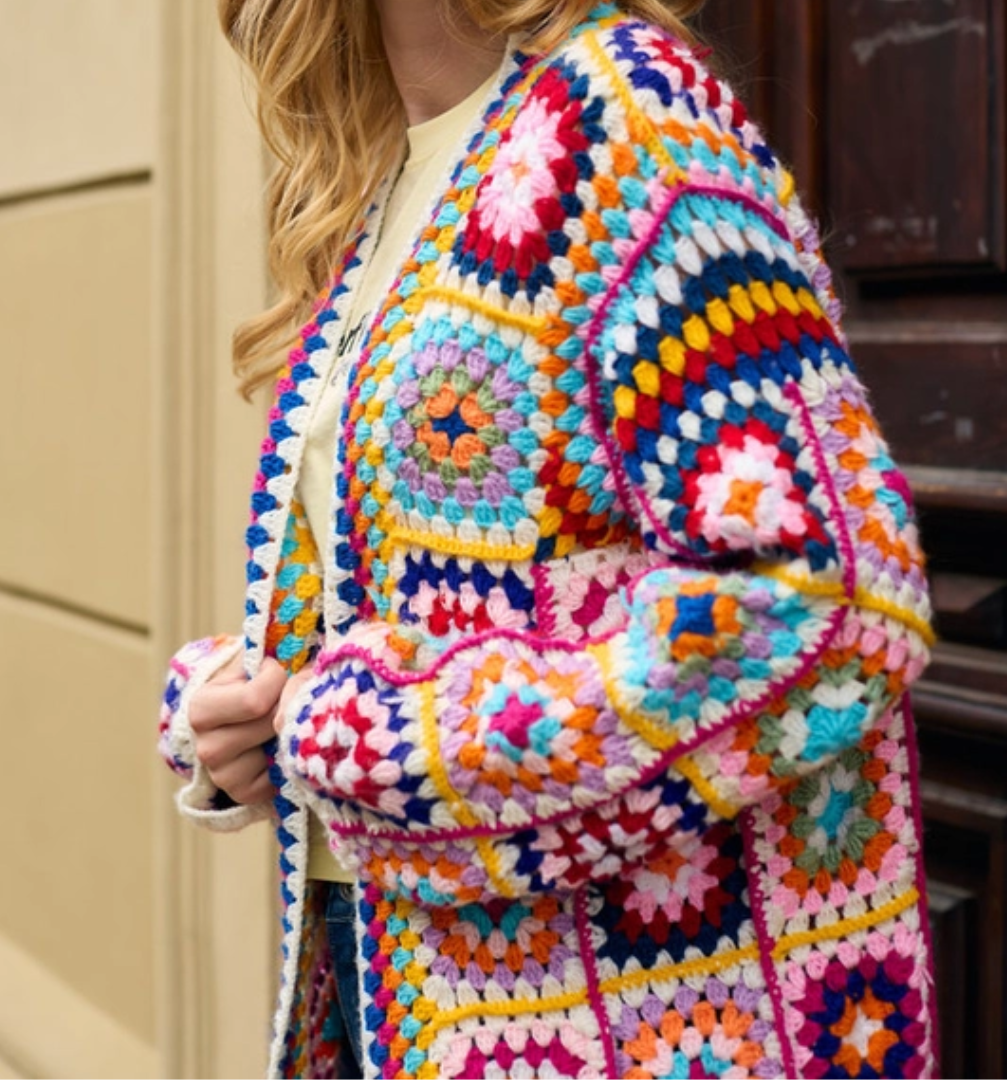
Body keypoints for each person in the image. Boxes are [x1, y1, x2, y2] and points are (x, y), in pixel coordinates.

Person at [158, 1, 939, 1076]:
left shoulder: (621, 116)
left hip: (615, 1007)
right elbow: (438, 599)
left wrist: (394, 749)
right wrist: (250, 717)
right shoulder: (385, 177)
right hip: (383, 985)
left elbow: (827, 597)